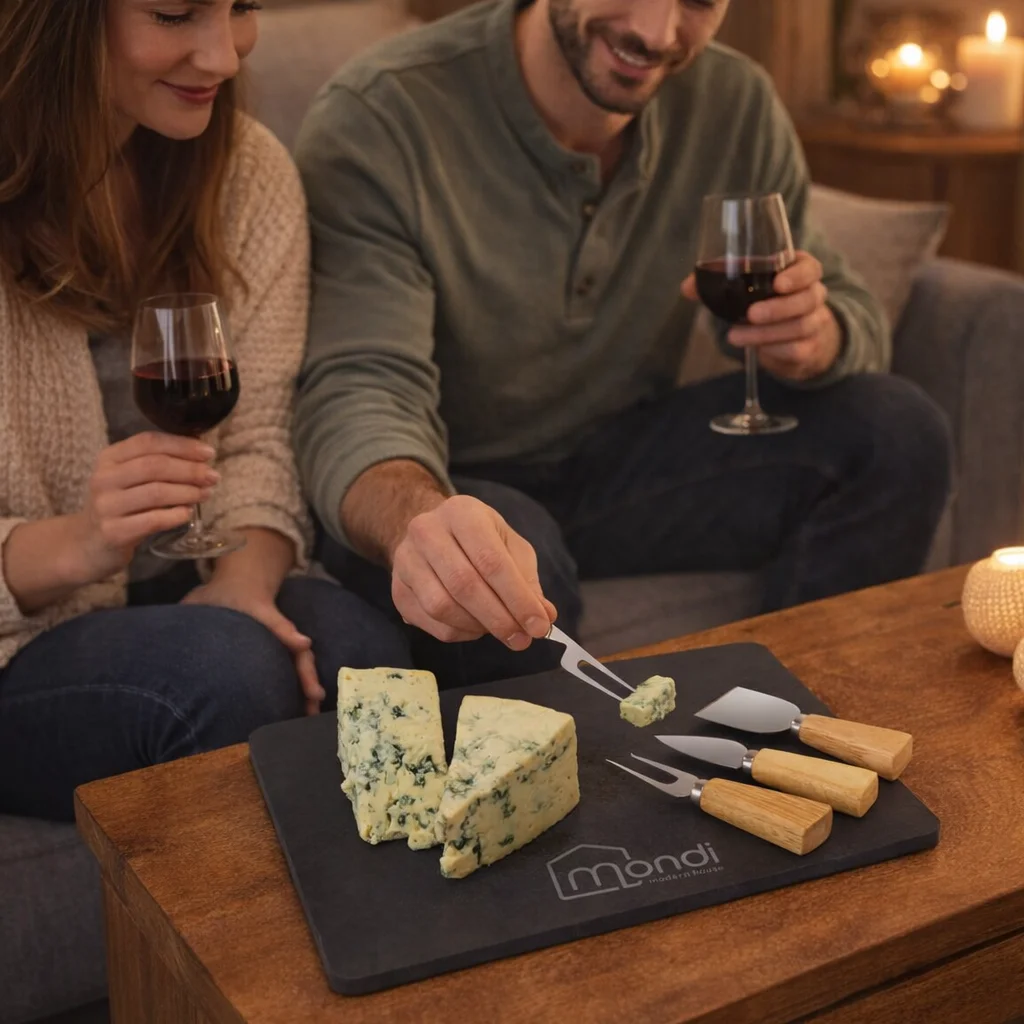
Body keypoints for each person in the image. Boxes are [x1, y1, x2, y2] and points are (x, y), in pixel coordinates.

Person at [293, 0, 953, 688]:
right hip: (450, 475)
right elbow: (357, 388)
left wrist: (819, 336)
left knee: (896, 430)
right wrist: (420, 519)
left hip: (619, 459)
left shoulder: (733, 101)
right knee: (512, 563)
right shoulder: (381, 114)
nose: (657, 32)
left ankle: (797, 731)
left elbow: (846, 304)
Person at [0, 0, 412, 822]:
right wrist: (79, 543)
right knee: (224, 675)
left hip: (177, 585)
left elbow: (260, 435)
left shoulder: (246, 170)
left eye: (243, 7)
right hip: (20, 636)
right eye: (176, 13)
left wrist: (242, 581)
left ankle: (402, 942)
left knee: (366, 659)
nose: (223, 56)